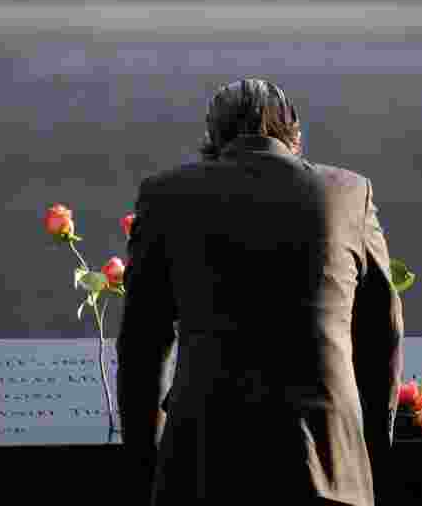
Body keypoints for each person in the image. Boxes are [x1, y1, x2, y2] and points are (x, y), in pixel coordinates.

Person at [116, 78, 403, 506]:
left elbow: (142, 343)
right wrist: (371, 448)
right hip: (327, 468)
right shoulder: (348, 195)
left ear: (213, 137)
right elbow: (382, 333)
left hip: (202, 470)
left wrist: (144, 460)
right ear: (296, 135)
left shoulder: (165, 196)